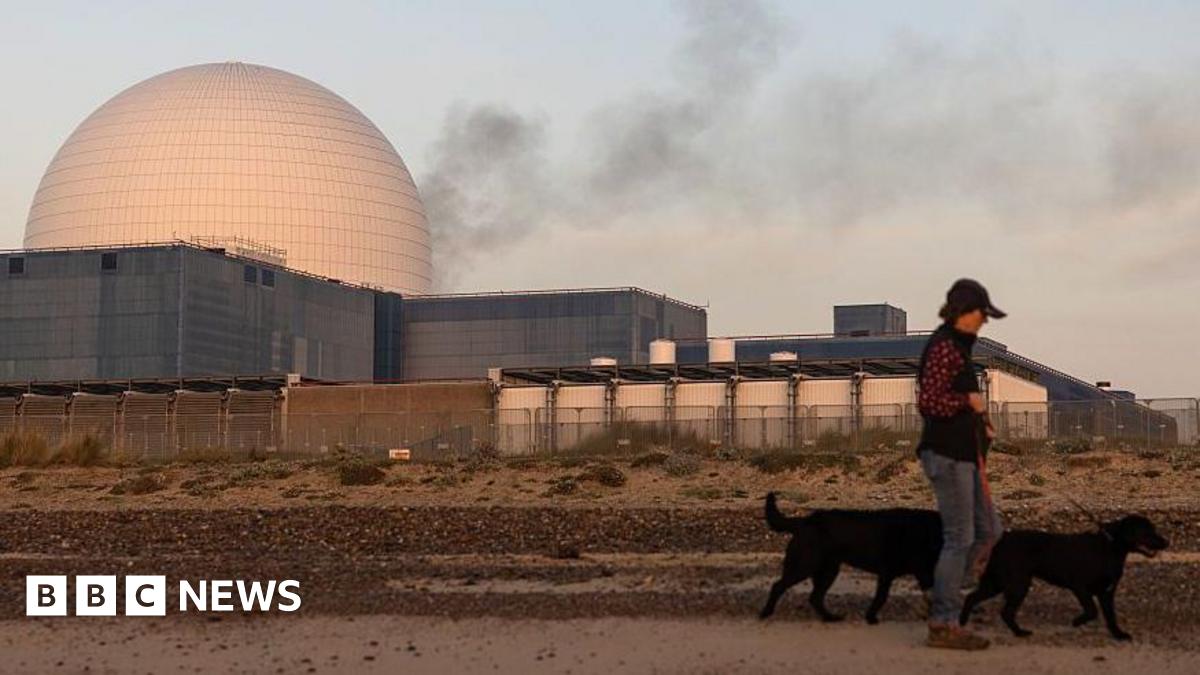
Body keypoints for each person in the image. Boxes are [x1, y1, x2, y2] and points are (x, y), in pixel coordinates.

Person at [918, 279, 1005, 650]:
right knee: (960, 538)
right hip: (947, 456)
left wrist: (981, 422)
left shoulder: (959, 349)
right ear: (964, 313)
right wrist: (969, 407)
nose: (984, 322)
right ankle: (943, 619)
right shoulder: (944, 348)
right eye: (981, 315)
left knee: (989, 531)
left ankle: (944, 594)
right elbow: (930, 403)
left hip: (965, 457)